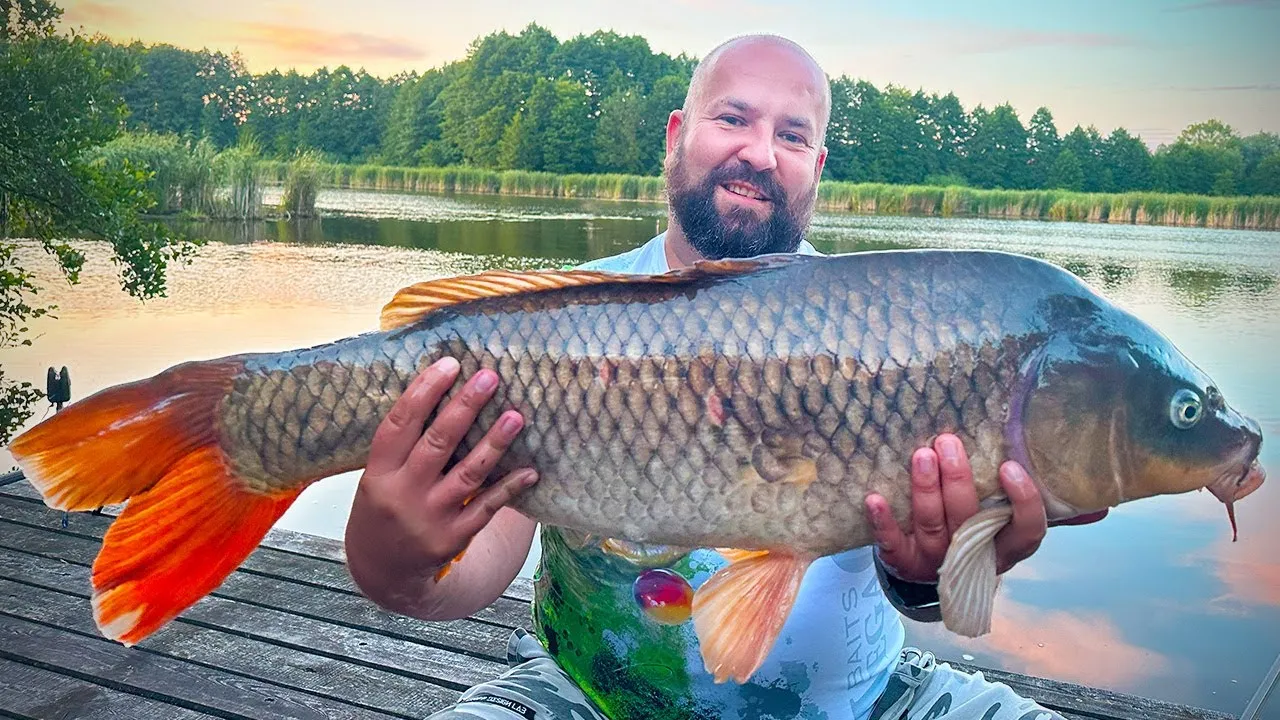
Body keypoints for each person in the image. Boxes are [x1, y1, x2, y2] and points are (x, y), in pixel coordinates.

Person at [344, 33, 1105, 720]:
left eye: (793, 135)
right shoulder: (556, 325)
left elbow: (938, 593)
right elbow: (467, 573)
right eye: (733, 118)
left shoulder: (896, 331)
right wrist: (392, 558)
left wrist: (926, 578)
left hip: (867, 702)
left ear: (817, 169)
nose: (761, 152)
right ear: (677, 136)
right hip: (582, 696)